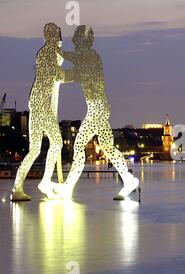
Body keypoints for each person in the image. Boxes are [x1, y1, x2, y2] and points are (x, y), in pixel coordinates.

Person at [54, 25, 139, 200]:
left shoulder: (90, 57)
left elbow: (74, 62)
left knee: (78, 146)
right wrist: (55, 75)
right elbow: (70, 75)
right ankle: (128, 179)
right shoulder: (87, 61)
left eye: (76, 39)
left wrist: (56, 50)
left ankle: (67, 188)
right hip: (98, 107)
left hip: (97, 108)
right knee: (108, 147)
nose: (73, 42)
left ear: (83, 41)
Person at [11, 23, 68, 201]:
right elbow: (58, 75)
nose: (60, 39)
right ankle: (44, 182)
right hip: (42, 104)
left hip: (36, 103)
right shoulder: (49, 53)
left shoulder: (46, 52)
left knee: (35, 149)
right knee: (57, 143)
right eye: (58, 36)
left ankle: (17, 187)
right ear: (51, 36)